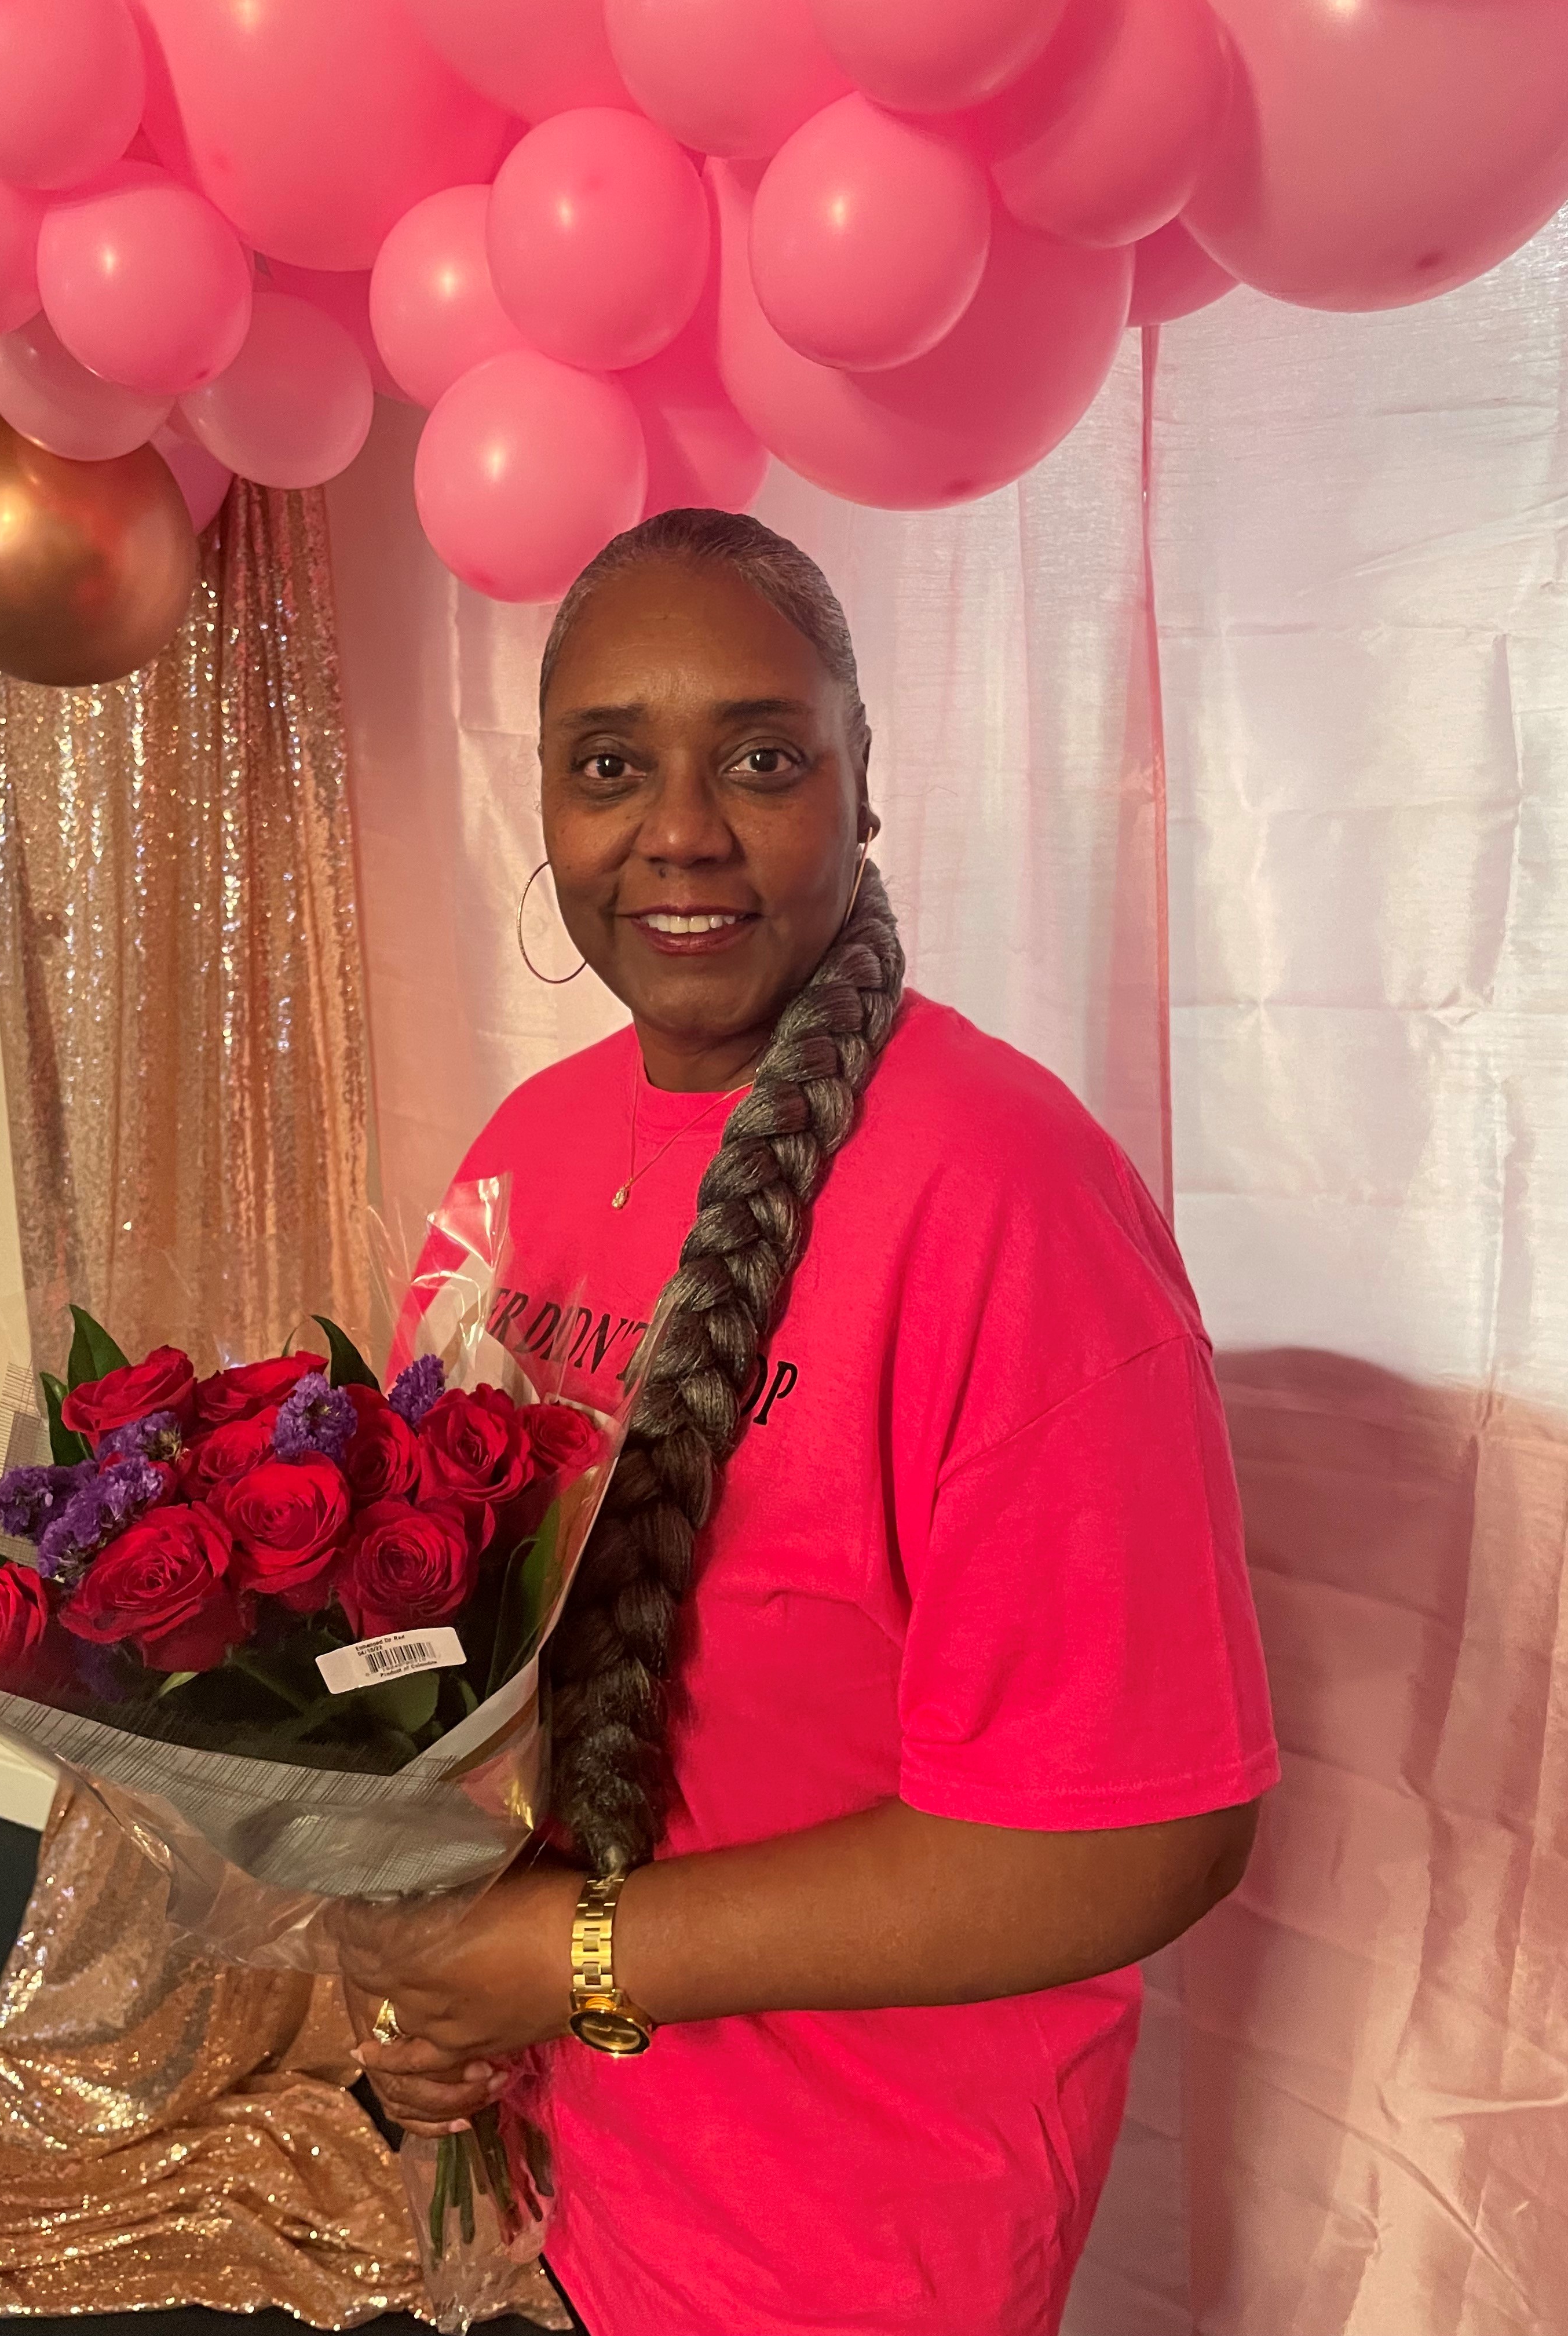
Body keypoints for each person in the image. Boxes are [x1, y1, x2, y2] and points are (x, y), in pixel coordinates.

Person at [352, 509, 1280, 2336]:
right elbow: (438, 1653)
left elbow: (1140, 1835)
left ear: (863, 792)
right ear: (543, 803)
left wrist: (570, 1959)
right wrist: (435, 1981)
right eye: (611, 764)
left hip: (853, 2243)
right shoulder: (519, 1161)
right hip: (561, 2173)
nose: (680, 831)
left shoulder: (1009, 1199)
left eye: (763, 758)